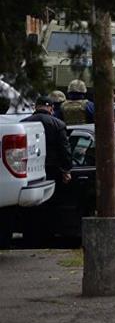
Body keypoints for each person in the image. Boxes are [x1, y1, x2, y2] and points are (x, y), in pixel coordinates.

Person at [21, 96, 74, 245]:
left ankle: (29, 238)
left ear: (35, 107)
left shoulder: (23, 124)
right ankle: (48, 238)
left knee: (29, 208)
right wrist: (66, 170)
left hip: (28, 172)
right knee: (51, 206)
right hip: (52, 171)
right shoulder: (58, 124)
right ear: (51, 108)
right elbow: (65, 150)